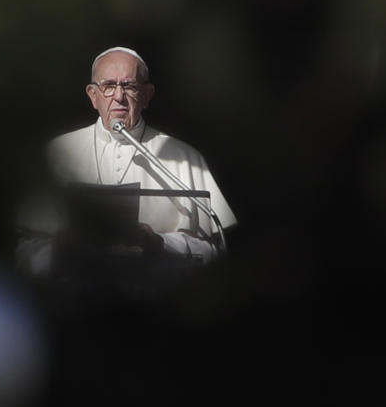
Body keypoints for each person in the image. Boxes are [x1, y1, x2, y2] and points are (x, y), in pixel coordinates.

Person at [18, 47, 236, 275]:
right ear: (93, 95)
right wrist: (63, 249)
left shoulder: (184, 157)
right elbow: (23, 249)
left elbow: (214, 252)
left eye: (129, 86)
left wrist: (157, 243)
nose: (119, 97)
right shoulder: (58, 152)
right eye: (109, 86)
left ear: (147, 95)